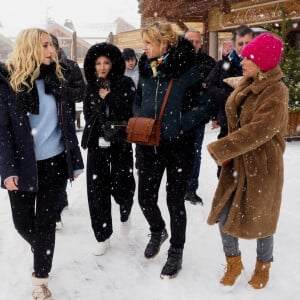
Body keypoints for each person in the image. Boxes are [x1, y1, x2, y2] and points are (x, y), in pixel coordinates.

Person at [0, 28, 84, 299]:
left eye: (52, 45)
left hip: (55, 164)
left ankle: (40, 281)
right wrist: (7, 170)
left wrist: (75, 161)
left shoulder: (58, 78)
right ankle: (40, 246)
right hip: (23, 166)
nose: (52, 50)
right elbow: (2, 131)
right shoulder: (9, 84)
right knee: (22, 223)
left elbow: (69, 121)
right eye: (45, 45)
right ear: (29, 48)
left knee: (47, 223)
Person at [206, 33, 288, 290]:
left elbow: (259, 130)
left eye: (247, 58)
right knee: (224, 215)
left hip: (263, 164)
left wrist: (223, 147)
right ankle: (234, 263)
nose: (242, 61)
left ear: (262, 62)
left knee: (262, 220)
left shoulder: (277, 91)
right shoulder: (247, 82)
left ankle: (263, 265)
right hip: (236, 162)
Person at [134, 22, 209, 278]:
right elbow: (138, 100)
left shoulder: (188, 69)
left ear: (164, 43)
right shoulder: (146, 67)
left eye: (148, 42)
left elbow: (205, 106)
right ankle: (157, 230)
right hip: (148, 145)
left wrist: (179, 124)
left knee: (174, 201)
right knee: (144, 197)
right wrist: (140, 119)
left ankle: (176, 250)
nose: (143, 47)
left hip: (179, 146)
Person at [81, 42, 136, 256]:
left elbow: (130, 111)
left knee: (123, 185)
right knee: (97, 191)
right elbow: (88, 115)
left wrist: (110, 98)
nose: (102, 67)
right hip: (97, 144)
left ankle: (125, 211)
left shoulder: (126, 83)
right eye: (98, 63)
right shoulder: (90, 87)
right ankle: (102, 235)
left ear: (113, 63)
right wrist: (100, 107)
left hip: (120, 143)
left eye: (106, 62)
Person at [204, 25, 253, 177]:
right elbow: (209, 85)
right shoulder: (223, 65)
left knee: (250, 175)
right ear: (233, 44)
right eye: (240, 43)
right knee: (226, 172)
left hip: (252, 127)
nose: (244, 47)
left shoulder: (260, 65)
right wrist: (229, 97)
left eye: (248, 43)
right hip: (228, 125)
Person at [50, 33, 86, 229]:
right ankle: (57, 201)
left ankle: (57, 207)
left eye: (49, 46)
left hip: (65, 123)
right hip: (42, 126)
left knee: (64, 162)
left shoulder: (70, 67)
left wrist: (61, 90)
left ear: (57, 48)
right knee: (50, 167)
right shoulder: (37, 67)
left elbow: (81, 92)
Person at [183, 29, 216, 205]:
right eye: (190, 41)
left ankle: (190, 189)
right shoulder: (174, 61)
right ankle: (177, 186)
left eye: (196, 41)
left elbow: (213, 89)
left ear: (201, 43)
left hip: (198, 116)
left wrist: (206, 109)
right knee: (177, 153)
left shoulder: (209, 63)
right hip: (177, 116)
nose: (193, 44)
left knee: (195, 154)